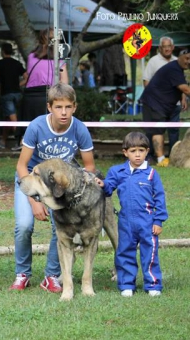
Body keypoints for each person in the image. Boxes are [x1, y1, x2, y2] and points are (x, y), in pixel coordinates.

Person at [10, 83, 95, 293]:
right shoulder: (37, 127)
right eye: (58, 107)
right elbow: (21, 165)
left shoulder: (80, 129)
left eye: (68, 107)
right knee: (24, 226)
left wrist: (78, 191)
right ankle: (22, 274)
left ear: (74, 107)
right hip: (32, 179)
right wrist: (33, 200)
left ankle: (51, 276)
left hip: (60, 184)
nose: (63, 112)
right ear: (49, 107)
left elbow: (90, 166)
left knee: (62, 230)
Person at [95, 132, 167, 297]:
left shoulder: (151, 174)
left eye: (141, 151)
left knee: (150, 253)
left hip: (147, 222)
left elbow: (160, 199)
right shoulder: (117, 171)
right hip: (126, 221)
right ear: (125, 152)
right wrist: (102, 184)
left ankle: (153, 284)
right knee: (124, 252)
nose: (137, 155)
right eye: (133, 151)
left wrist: (158, 220)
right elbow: (109, 188)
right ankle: (127, 284)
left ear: (147, 151)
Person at [15, 29, 69, 151]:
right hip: (48, 95)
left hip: (29, 98)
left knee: (28, 132)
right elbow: (65, 82)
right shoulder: (58, 58)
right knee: (47, 131)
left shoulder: (31, 56)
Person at [140, 49, 190, 167]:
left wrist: (182, 98)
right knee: (157, 130)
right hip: (154, 103)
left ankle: (159, 157)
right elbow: (186, 89)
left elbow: (181, 88)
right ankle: (161, 160)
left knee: (166, 130)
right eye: (187, 58)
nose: (189, 61)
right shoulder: (174, 69)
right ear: (179, 57)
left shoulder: (178, 69)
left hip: (166, 105)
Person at [0, 43, 26, 149]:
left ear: (2, 51)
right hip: (18, 93)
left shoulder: (0, 63)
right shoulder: (17, 63)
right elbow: (26, 77)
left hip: (6, 94)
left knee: (13, 118)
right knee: (8, 118)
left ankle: (21, 142)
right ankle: (3, 141)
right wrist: (18, 84)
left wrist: (0, 84)